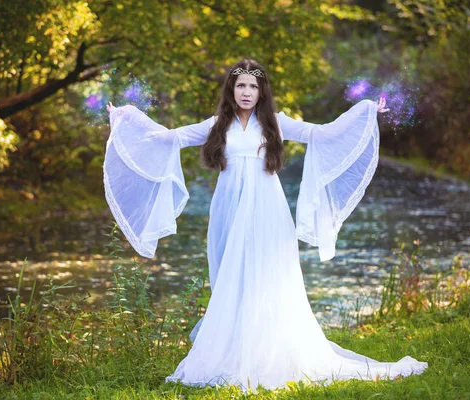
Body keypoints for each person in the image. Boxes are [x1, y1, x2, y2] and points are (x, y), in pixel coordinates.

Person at [104, 58, 427, 391]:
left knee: (266, 274)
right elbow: (170, 138)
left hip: (267, 208)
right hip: (228, 206)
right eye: (240, 85)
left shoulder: (275, 122)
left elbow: (322, 133)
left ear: (262, 92)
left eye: (253, 86)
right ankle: (232, 351)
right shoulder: (217, 124)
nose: (246, 92)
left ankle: (268, 354)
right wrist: (127, 119)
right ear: (231, 90)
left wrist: (366, 111)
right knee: (231, 275)